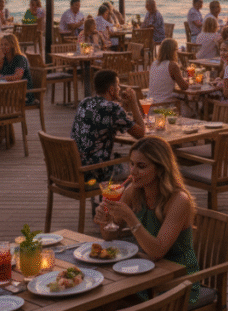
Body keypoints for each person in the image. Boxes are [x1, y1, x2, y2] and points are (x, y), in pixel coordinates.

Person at [93, 137, 200, 306]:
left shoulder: (179, 200)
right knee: (97, 298)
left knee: (109, 302)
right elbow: (109, 237)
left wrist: (130, 217)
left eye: (141, 166)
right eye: (132, 164)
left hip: (177, 283)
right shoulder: (133, 191)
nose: (133, 172)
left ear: (160, 169)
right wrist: (104, 219)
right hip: (143, 274)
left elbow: (157, 251)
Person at [71, 69, 146, 181]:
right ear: (111, 90)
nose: (119, 89)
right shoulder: (112, 109)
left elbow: (108, 118)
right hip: (97, 172)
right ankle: (129, 198)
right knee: (142, 168)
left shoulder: (84, 103)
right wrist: (134, 102)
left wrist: (123, 105)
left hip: (76, 168)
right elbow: (141, 134)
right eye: (118, 86)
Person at [0, 32, 36, 108]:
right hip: (11, 91)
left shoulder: (20, 59)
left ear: (13, 45)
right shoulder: (5, 59)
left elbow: (17, 76)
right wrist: (0, 62)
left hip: (23, 95)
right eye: (2, 45)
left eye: (6, 44)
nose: (3, 47)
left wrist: (2, 77)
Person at [149, 39, 189, 105]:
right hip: (164, 109)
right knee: (188, 98)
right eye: (176, 50)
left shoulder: (154, 63)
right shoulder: (172, 65)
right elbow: (184, 87)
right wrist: (189, 81)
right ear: (173, 51)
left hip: (150, 105)